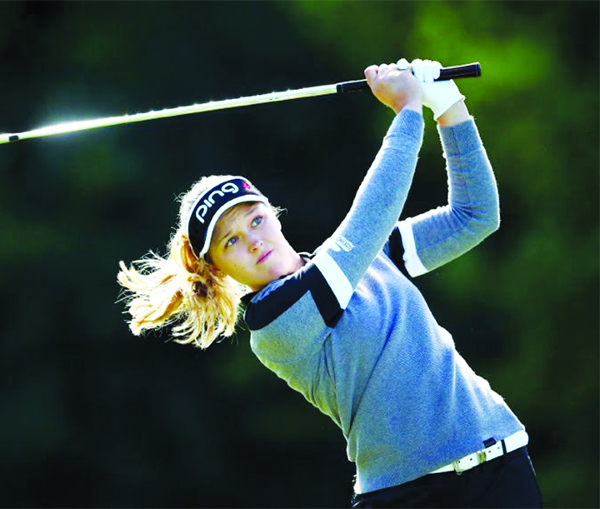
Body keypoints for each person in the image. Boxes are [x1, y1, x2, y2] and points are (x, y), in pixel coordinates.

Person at [117, 58, 543, 508]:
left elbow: (475, 216)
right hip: (409, 497)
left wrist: (447, 104)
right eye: (231, 242)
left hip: (501, 464)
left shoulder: (370, 256)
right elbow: (367, 222)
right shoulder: (274, 324)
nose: (254, 241)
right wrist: (406, 111)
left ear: (274, 215)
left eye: (256, 220)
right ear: (218, 269)